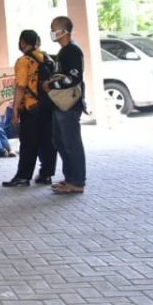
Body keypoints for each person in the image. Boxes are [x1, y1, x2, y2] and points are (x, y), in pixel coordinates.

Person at [4, 30, 57, 187]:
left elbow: (21, 87)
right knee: (47, 142)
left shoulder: (24, 61)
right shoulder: (47, 58)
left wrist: (15, 110)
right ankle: (46, 174)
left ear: (22, 43)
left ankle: (23, 176)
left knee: (28, 143)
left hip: (31, 107)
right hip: (48, 106)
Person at [47, 16, 87, 194]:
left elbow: (74, 77)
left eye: (54, 28)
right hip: (59, 104)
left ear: (64, 31)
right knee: (60, 141)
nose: (52, 32)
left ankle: (77, 181)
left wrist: (52, 86)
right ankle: (69, 177)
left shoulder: (72, 51)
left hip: (69, 105)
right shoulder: (63, 51)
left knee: (71, 143)